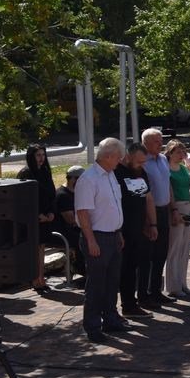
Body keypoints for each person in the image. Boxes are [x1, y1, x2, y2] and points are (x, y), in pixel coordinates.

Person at [74, 138, 127, 343]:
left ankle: (111, 319)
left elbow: (114, 207)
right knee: (96, 285)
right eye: (117, 157)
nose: (119, 161)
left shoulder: (111, 175)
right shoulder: (89, 179)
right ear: (107, 156)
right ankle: (93, 326)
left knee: (112, 282)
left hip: (113, 235)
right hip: (97, 236)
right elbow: (83, 212)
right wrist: (91, 240)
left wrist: (119, 232)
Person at [115, 142, 157, 318]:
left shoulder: (141, 173)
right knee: (124, 269)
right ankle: (127, 305)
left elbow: (148, 199)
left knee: (134, 266)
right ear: (128, 156)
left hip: (138, 228)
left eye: (143, 162)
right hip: (121, 229)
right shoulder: (116, 173)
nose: (142, 165)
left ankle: (133, 303)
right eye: (139, 161)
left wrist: (152, 223)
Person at [140, 129, 172, 308]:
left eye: (161, 141)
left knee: (161, 253)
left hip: (164, 210)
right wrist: (148, 221)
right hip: (148, 213)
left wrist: (173, 208)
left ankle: (156, 291)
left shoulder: (163, 159)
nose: (161, 144)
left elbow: (168, 185)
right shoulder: (142, 162)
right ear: (145, 143)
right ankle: (143, 295)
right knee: (148, 255)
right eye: (156, 142)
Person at [16, 144, 54, 293]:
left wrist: (51, 212)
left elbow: (51, 194)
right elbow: (23, 199)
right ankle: (34, 280)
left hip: (46, 216)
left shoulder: (45, 171)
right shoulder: (26, 173)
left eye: (43, 155)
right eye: (38, 155)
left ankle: (41, 279)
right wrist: (38, 215)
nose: (41, 158)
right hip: (32, 217)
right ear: (31, 156)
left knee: (41, 248)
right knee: (34, 249)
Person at [163, 139, 190, 297]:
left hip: (187, 206)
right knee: (174, 248)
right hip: (175, 208)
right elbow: (169, 191)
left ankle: (182, 282)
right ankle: (173, 286)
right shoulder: (166, 168)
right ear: (170, 153)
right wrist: (174, 210)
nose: (181, 154)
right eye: (178, 152)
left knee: (184, 247)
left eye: (183, 151)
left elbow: (188, 189)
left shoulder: (183, 168)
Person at [55, 165, 87, 281]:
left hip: (73, 228)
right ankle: (82, 270)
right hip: (62, 231)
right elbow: (71, 220)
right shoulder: (63, 195)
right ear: (73, 179)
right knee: (84, 238)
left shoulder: (77, 193)